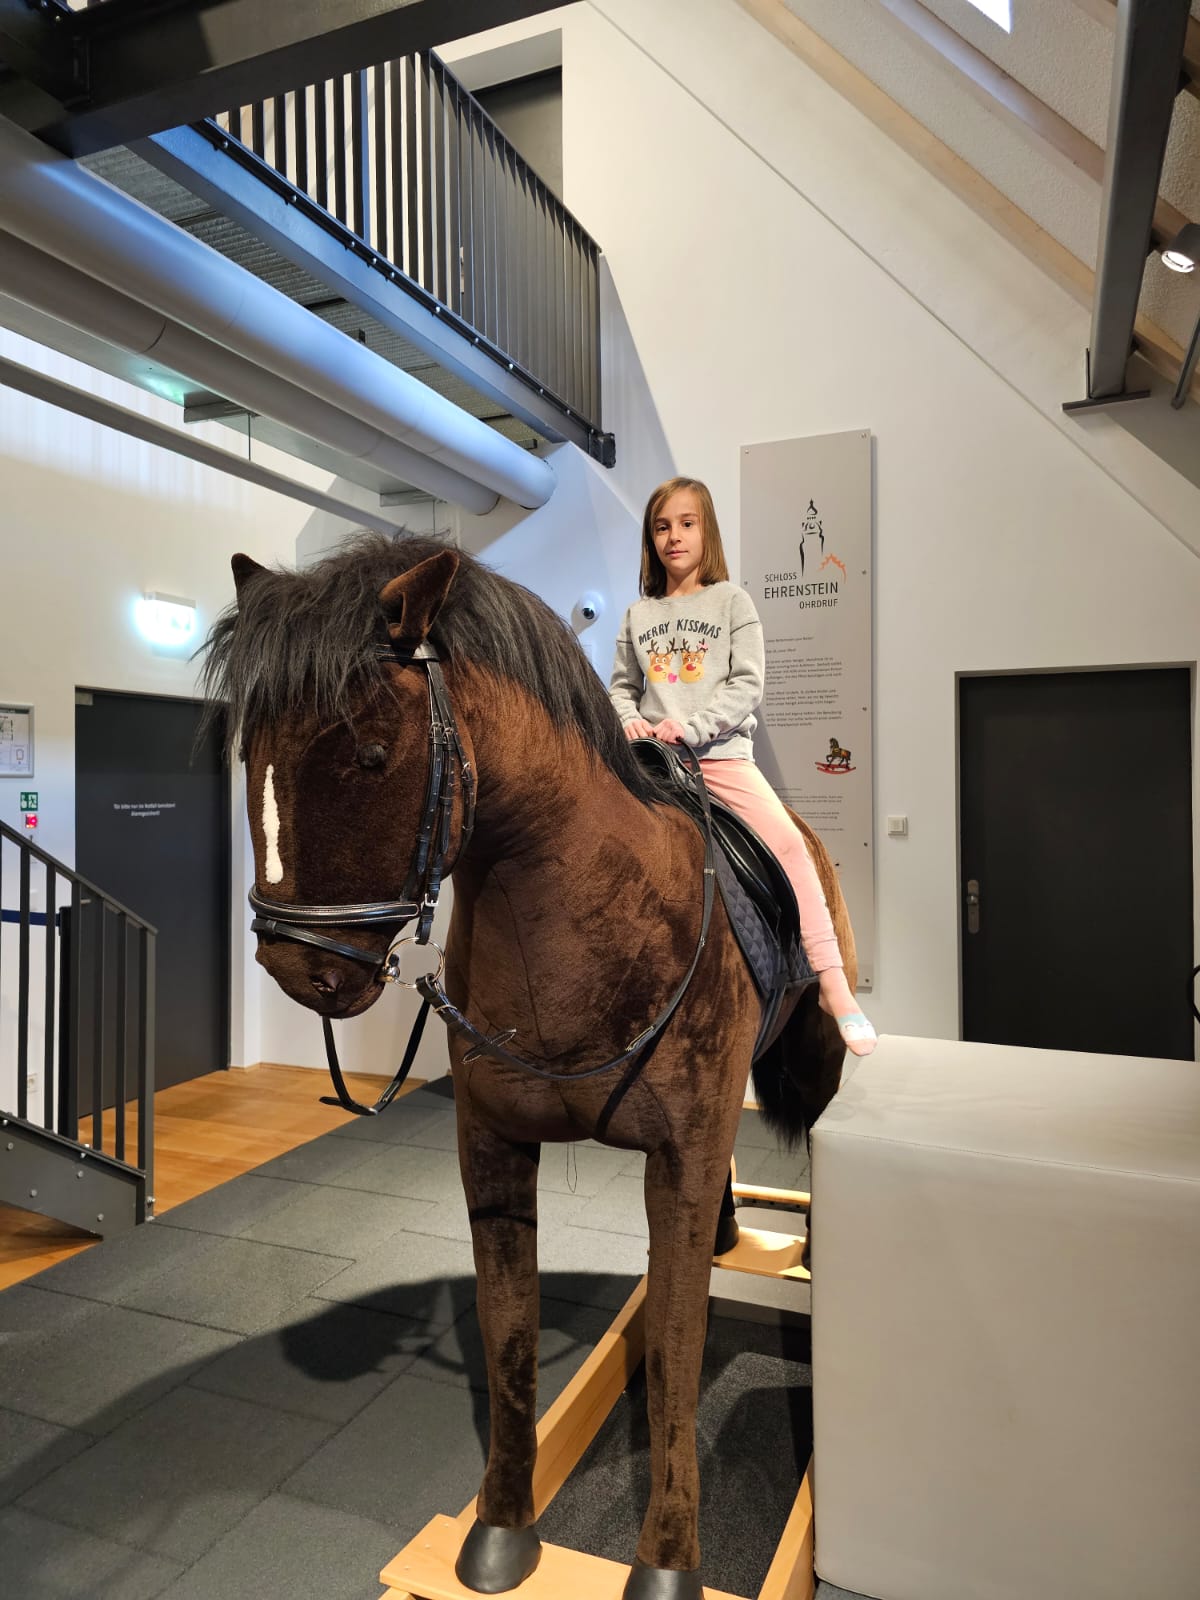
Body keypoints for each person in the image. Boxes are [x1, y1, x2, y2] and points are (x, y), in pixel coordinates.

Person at [609, 475, 877, 1055]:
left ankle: (832, 982)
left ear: (706, 530)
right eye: (662, 527)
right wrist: (629, 720)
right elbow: (621, 688)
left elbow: (747, 685)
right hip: (653, 765)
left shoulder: (733, 602)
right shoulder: (637, 613)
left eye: (686, 524)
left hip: (719, 758)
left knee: (789, 845)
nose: (674, 537)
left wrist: (695, 726)